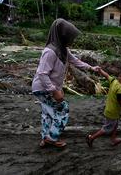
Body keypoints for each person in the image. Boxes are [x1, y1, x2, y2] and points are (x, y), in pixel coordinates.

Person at [32, 18, 100, 148]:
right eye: (69, 37)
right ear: (62, 36)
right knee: (63, 109)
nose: (71, 40)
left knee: (47, 112)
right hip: (43, 88)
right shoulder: (50, 52)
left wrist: (91, 68)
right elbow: (42, 73)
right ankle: (52, 138)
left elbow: (75, 61)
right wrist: (54, 90)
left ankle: (45, 138)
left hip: (44, 87)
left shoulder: (63, 49)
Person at [86, 67, 121, 147]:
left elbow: (106, 76)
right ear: (120, 76)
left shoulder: (113, 81)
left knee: (115, 125)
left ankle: (113, 139)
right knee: (107, 128)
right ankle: (92, 137)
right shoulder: (120, 89)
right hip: (112, 113)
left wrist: (100, 70)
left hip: (110, 110)